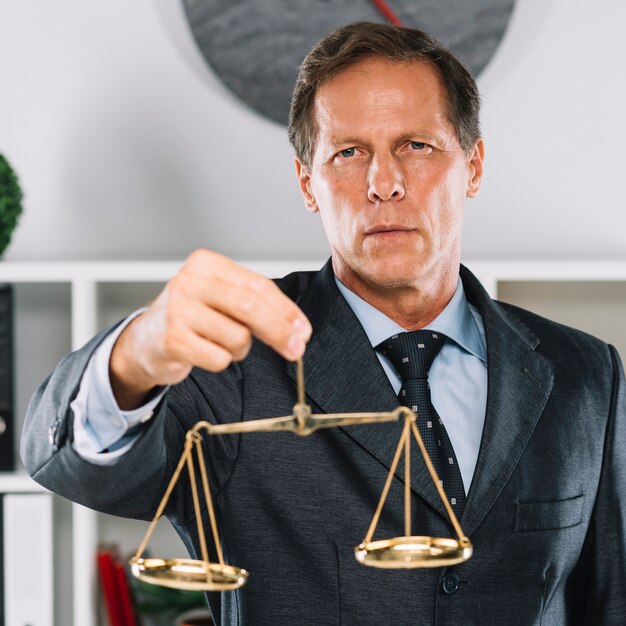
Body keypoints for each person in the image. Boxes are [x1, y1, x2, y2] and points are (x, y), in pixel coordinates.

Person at [21, 21, 625, 626]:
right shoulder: (234, 358)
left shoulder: (586, 375)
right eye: (348, 152)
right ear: (308, 182)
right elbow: (69, 463)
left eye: (416, 146)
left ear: (473, 165)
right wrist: (133, 358)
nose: (383, 184)